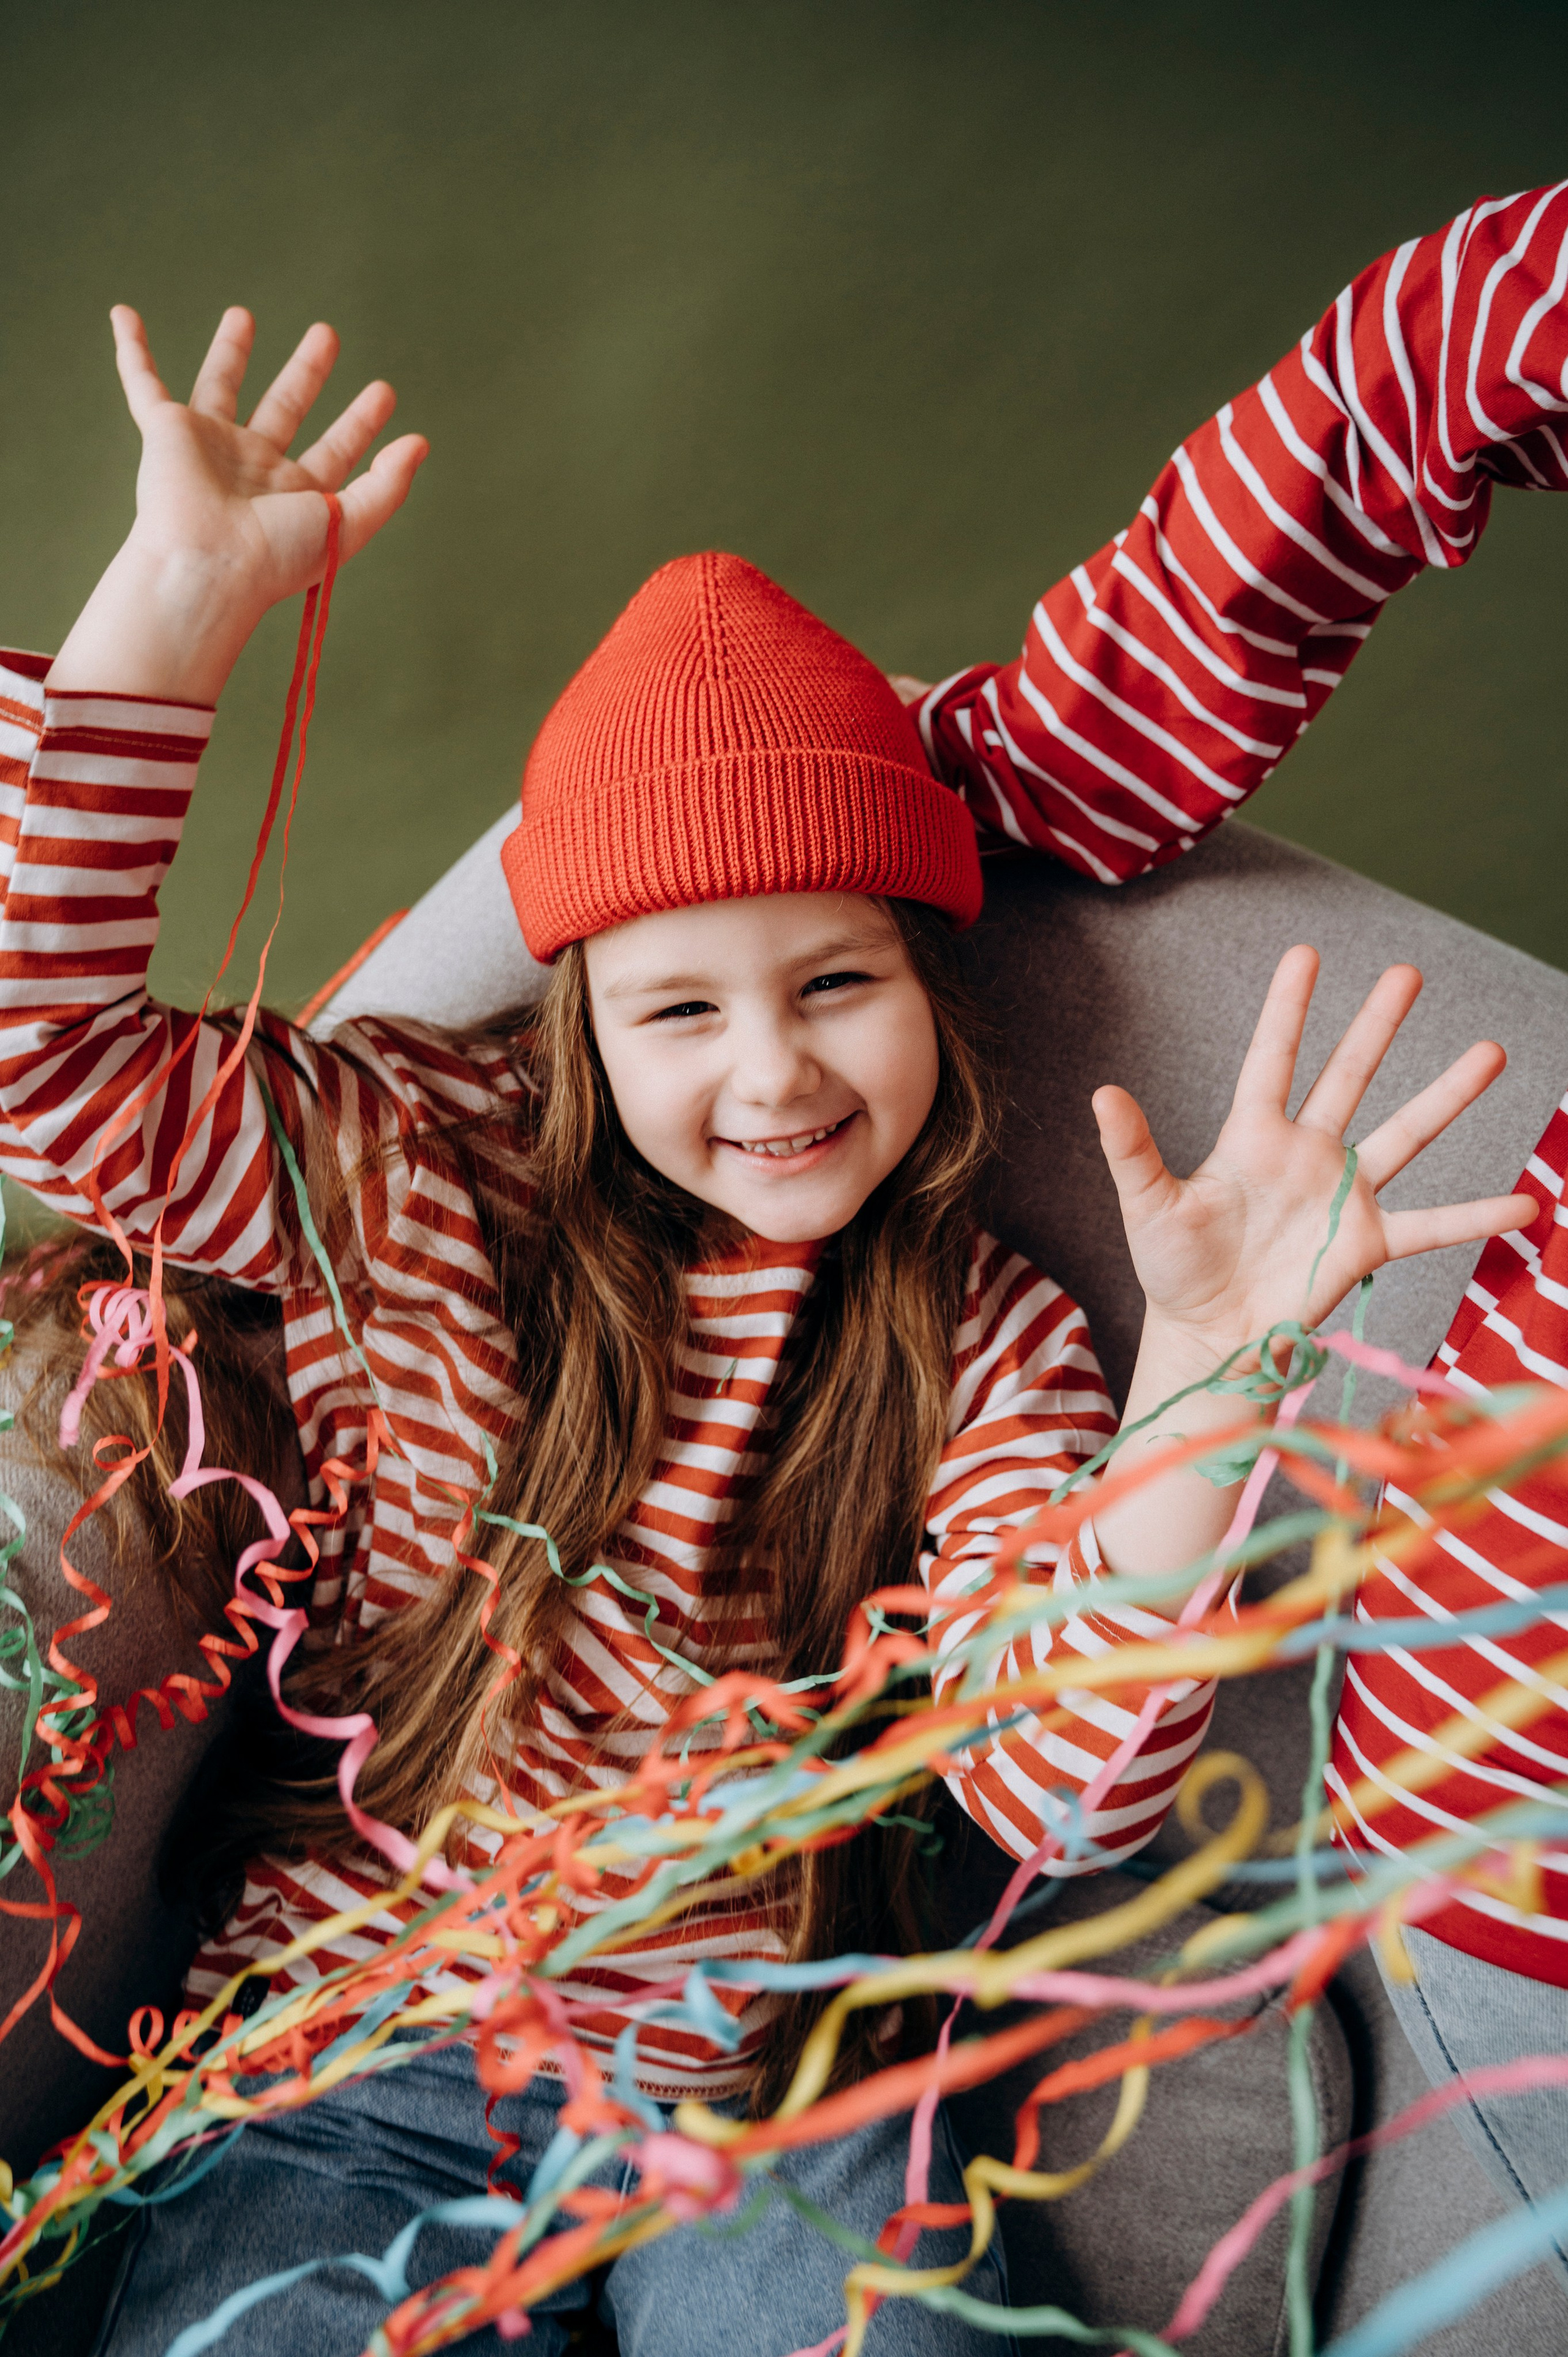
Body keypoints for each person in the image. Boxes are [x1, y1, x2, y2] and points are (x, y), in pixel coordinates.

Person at [0, 183, 1559, 2355]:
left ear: (930, 983)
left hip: (751, 2103)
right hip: (342, 2081)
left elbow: (1056, 1780)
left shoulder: (985, 1336)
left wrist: (1209, 1375)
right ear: (579, 1027)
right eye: (681, 1010)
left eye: (836, 980)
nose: (774, 1072)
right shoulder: (411, 1171)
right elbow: (44, 1066)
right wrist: (170, 605)